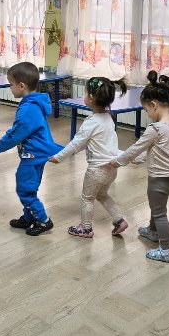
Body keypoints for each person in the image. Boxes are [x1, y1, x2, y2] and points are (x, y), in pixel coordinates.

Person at [109, 71, 169, 263]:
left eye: (146, 110)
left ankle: (167, 250)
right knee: (157, 207)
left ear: (153, 105)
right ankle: (153, 231)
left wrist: (118, 161)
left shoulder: (155, 129)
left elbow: (136, 148)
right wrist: (137, 160)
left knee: (159, 213)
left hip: (158, 180)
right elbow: (160, 150)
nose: (148, 114)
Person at [50, 76, 129, 238]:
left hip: (96, 171)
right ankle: (119, 220)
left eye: (85, 93)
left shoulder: (91, 122)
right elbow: (88, 144)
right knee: (102, 195)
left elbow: (76, 144)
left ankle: (86, 228)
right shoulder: (109, 118)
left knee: (87, 199)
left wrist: (58, 157)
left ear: (91, 98)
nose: (84, 96)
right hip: (111, 170)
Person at [0, 62, 63, 236]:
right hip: (34, 154)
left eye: (11, 84)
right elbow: (18, 130)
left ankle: (43, 220)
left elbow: (16, 134)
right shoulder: (32, 103)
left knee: (25, 189)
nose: (10, 87)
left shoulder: (28, 108)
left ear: (21, 86)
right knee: (29, 187)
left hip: (33, 155)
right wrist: (1, 141)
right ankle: (29, 217)